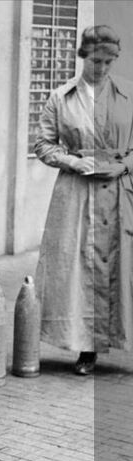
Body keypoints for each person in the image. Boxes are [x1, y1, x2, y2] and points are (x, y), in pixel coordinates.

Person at [35, 25, 133, 376]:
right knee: (79, 270)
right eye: (95, 60)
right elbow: (43, 145)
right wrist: (74, 161)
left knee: (124, 269)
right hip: (77, 193)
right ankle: (86, 350)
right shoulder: (61, 98)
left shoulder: (128, 95)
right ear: (82, 57)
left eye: (109, 61)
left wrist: (122, 164)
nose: (102, 68)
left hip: (121, 192)